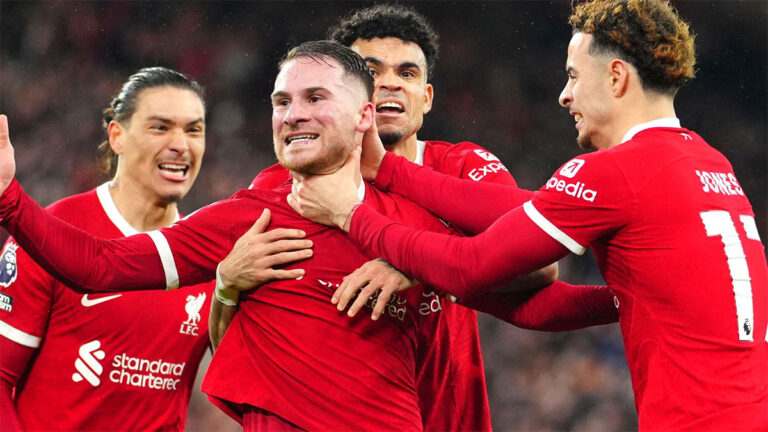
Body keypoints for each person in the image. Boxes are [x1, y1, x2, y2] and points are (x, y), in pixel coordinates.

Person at [0, 40, 620, 430]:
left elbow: (531, 297)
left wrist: (626, 297)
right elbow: (100, 265)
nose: (292, 113)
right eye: (281, 101)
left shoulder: (410, 222)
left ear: (364, 115)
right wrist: (9, 199)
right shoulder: (249, 217)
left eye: (314, 97)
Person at [286, 1, 768, 430]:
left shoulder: (616, 172)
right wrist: (391, 172)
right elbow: (525, 243)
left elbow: (471, 266)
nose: (565, 95)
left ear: (616, 77)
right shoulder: (710, 165)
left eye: (574, 76)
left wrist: (352, 215)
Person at [220, 5, 552, 430]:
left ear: (426, 98)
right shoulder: (280, 187)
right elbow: (237, 348)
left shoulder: (463, 167)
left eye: (407, 73)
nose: (391, 82)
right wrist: (225, 286)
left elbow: (541, 262)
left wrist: (418, 266)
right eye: (372, 70)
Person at [0, 67, 257, 431]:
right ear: (117, 136)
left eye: (193, 130)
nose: (181, 144)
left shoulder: (210, 256)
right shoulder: (52, 236)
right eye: (160, 127)